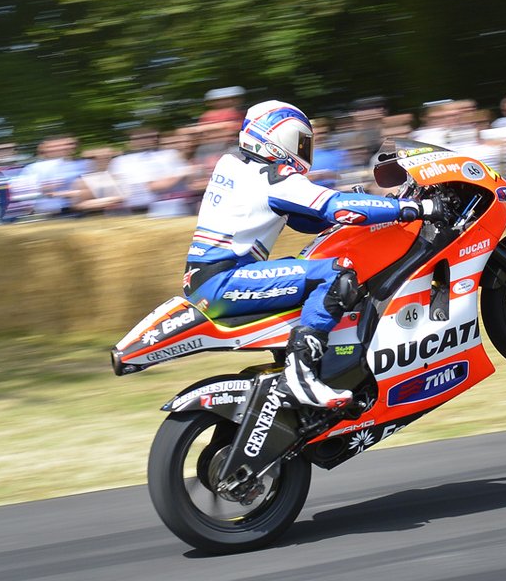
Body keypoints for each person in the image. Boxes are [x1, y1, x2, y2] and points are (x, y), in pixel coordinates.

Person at [183, 100, 436, 410]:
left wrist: (359, 205)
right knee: (337, 274)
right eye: (302, 141)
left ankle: (318, 366)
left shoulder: (234, 164)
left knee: (307, 269)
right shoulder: (272, 176)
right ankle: (300, 374)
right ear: (281, 137)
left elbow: (307, 217)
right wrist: (410, 208)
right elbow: (334, 207)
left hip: (213, 277)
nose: (305, 150)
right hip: (224, 281)